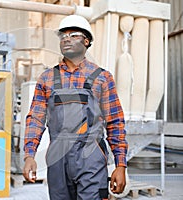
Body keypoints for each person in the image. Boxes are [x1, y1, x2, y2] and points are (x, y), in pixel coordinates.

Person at [22, 15, 128, 200]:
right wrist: (29, 155)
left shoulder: (102, 78)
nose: (66, 39)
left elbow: (115, 122)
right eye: (63, 36)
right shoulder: (47, 78)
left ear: (86, 41)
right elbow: (36, 119)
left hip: (91, 156)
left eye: (74, 35)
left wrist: (121, 165)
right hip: (57, 158)